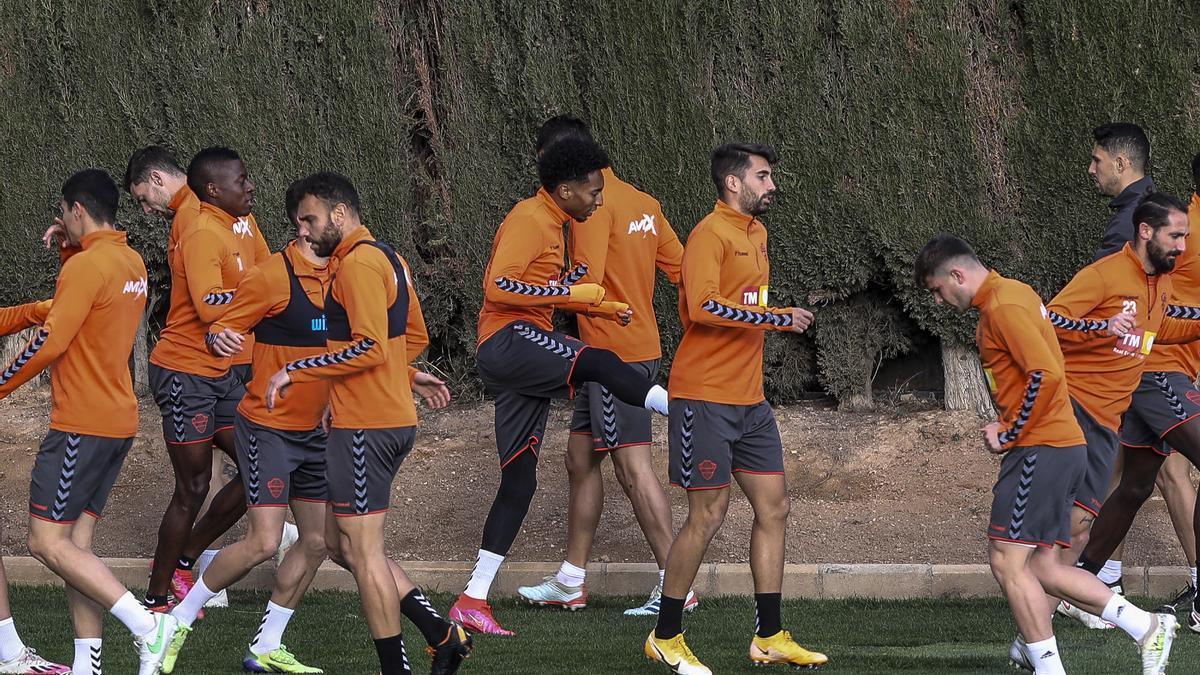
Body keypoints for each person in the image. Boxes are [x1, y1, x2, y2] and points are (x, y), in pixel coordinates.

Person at [914, 233, 1176, 675]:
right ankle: (1146, 627)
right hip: (1057, 443)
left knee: (1006, 560)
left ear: (957, 275)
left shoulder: (1004, 306)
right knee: (1043, 565)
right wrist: (1104, 328)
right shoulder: (1013, 293)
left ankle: (1054, 665)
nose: (938, 301)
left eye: (937, 290)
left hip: (1041, 446)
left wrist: (1009, 430)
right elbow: (1055, 335)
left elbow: (1045, 373)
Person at [447, 136, 671, 636]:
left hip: (522, 355)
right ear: (566, 189)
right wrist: (567, 291)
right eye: (593, 192)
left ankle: (472, 599)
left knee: (519, 479)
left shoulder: (559, 222)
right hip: (508, 339)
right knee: (600, 361)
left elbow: (553, 287)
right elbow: (499, 285)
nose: (599, 200)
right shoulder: (530, 218)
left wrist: (599, 304)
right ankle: (678, 408)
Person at [255, 172, 470, 675]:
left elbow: (370, 346)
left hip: (363, 429)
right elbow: (410, 337)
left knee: (364, 552)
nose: (303, 231)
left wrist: (296, 369)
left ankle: (396, 669)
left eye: (309, 220)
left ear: (339, 213)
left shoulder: (354, 266)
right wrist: (404, 375)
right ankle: (442, 634)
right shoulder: (390, 259)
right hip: (387, 419)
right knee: (338, 544)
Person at [644, 143, 824, 673]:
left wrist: (768, 316)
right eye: (763, 177)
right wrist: (776, 318)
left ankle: (769, 636)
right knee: (708, 514)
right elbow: (702, 307)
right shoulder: (709, 234)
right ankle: (665, 636)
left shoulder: (758, 234)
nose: (772, 186)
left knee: (776, 508)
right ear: (733, 183)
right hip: (703, 397)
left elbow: (746, 305)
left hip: (750, 402)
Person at [515, 115, 695, 616]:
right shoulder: (643, 202)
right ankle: (571, 580)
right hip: (625, 351)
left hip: (612, 356)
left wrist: (531, 299)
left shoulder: (591, 209)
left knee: (633, 468)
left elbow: (585, 283)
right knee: (580, 460)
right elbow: (683, 269)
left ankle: (676, 586)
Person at [1, 169, 177, 675]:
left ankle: (148, 625)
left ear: (76, 209)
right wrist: (68, 251)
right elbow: (85, 304)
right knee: (76, 548)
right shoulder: (129, 260)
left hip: (81, 425)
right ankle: (88, 665)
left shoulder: (87, 266)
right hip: (117, 423)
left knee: (45, 542)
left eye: (64, 213)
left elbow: (51, 339)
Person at [158, 180, 333, 674]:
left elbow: (352, 345)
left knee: (317, 541)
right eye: (308, 219)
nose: (311, 227)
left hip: (315, 430)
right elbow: (219, 324)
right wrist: (220, 338)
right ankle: (175, 619)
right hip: (269, 426)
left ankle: (265, 646)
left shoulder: (345, 273)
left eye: (321, 217)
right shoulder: (272, 275)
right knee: (263, 542)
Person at [1072, 154, 1200, 627]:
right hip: (1153, 375)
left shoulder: (1159, 273)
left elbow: (1164, 319)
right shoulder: (1113, 271)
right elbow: (1054, 320)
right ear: (1147, 233)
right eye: (1174, 238)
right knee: (1126, 487)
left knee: (1137, 485)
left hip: (1155, 372)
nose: (1180, 246)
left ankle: (1079, 581)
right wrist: (1104, 330)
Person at [142, 146, 270, 612]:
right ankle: (157, 599)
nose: (250, 186)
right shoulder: (198, 229)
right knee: (193, 487)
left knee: (262, 470)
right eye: (242, 180)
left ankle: (186, 559)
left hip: (224, 372)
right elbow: (209, 304)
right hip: (185, 372)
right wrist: (258, 299)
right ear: (214, 190)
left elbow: (268, 275)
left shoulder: (243, 221)